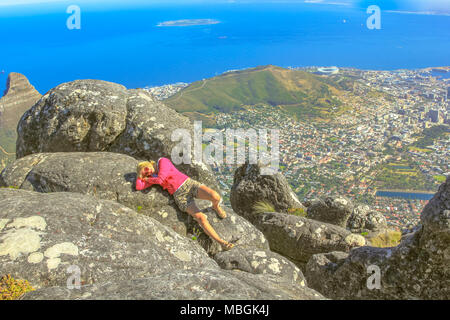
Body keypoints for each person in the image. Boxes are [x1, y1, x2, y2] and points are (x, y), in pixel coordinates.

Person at [136, 157, 234, 250]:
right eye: (145, 174)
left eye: (145, 169)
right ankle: (221, 242)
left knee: (215, 196)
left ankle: (216, 206)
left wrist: (146, 179)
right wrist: (139, 176)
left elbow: (161, 179)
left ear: (147, 163)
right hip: (180, 196)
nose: (147, 172)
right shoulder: (153, 177)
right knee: (201, 218)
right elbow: (138, 187)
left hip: (189, 184)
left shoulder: (162, 161)